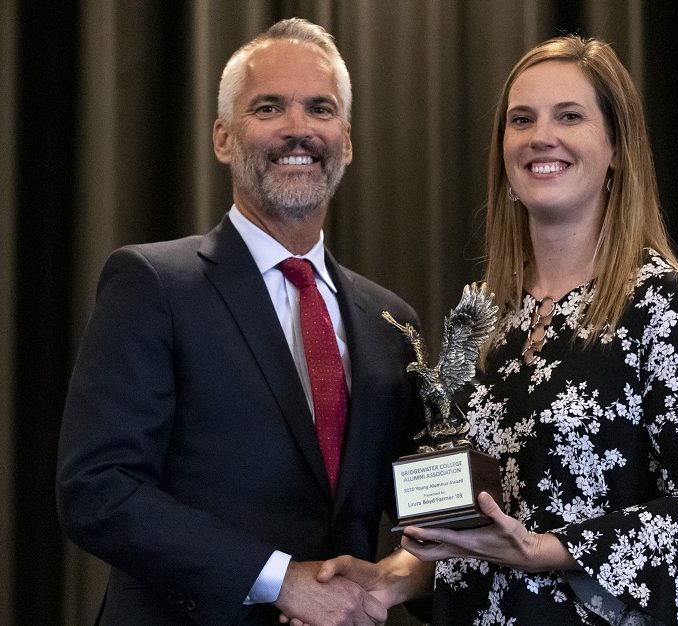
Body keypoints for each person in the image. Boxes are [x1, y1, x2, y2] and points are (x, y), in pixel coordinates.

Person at [310, 34, 678, 625]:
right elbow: (470, 530)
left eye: (569, 116)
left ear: (617, 147)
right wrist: (383, 583)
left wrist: (543, 549)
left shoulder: (665, 305)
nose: (539, 136)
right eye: (521, 120)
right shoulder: (487, 319)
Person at [56, 18, 423, 626]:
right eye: (269, 107)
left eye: (320, 108)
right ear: (223, 138)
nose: (298, 129)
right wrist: (279, 580)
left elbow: (424, 504)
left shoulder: (389, 321)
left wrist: (399, 577)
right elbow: (98, 488)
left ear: (348, 141)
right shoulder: (152, 285)